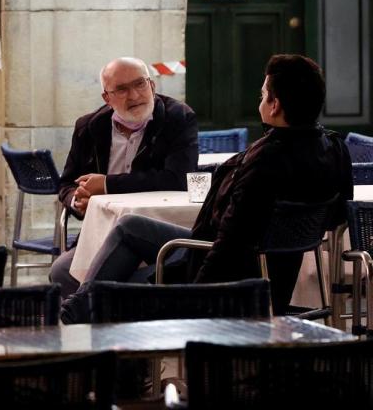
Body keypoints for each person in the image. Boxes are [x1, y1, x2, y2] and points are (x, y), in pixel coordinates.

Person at [60, 54, 353, 323]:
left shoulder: (265, 161)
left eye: (262, 95)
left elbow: (232, 243)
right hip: (273, 267)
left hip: (229, 275)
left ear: (274, 105)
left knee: (114, 285)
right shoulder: (335, 148)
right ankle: (76, 310)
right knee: (128, 225)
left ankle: (82, 325)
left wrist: (196, 294)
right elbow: (337, 214)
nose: (260, 101)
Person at [50, 57, 199, 296]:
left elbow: (177, 179)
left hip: (157, 236)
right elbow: (67, 183)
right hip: (101, 232)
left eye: (140, 84)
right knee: (61, 272)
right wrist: (78, 200)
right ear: (107, 98)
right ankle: (99, 324)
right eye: (121, 89)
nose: (134, 95)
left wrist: (107, 185)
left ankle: (86, 313)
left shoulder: (177, 118)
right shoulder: (89, 127)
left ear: (152, 85)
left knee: (129, 281)